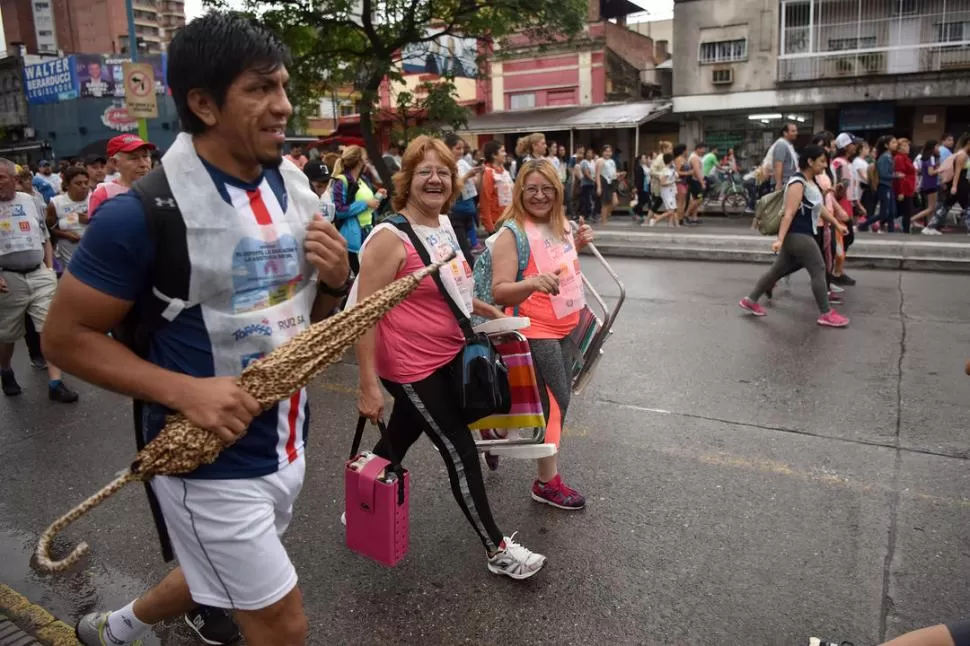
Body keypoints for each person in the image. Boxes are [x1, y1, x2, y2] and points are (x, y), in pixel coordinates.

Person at [46, 13, 352, 646]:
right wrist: (185, 391)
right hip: (205, 464)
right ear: (204, 104)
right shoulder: (140, 215)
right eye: (261, 89)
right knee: (280, 622)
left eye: (283, 88)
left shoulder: (293, 190)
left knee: (209, 571)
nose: (283, 106)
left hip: (287, 444)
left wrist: (333, 283)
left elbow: (303, 327)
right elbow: (63, 339)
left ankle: (115, 630)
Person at [353, 135, 547, 580]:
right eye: (425, 172)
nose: (435, 180)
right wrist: (367, 385)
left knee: (400, 436)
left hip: (447, 354)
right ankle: (497, 550)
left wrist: (483, 308)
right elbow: (363, 316)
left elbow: (453, 285)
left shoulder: (442, 226)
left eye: (443, 172)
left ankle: (361, 499)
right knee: (459, 451)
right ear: (407, 181)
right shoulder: (388, 238)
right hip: (410, 366)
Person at [489, 157, 593, 509]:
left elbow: (556, 268)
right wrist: (531, 283)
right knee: (555, 406)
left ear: (557, 191)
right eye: (531, 188)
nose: (539, 195)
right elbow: (500, 290)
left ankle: (496, 431)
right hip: (534, 330)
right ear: (520, 191)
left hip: (566, 325)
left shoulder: (558, 224)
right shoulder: (511, 233)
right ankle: (546, 483)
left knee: (553, 402)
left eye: (546, 188)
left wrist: (575, 244)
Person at [739, 145, 850, 328]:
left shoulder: (810, 181)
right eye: (821, 161)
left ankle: (750, 300)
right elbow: (789, 213)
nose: (825, 165)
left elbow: (817, 207)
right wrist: (780, 239)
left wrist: (837, 224)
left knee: (776, 271)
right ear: (810, 161)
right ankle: (826, 313)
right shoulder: (797, 182)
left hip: (801, 234)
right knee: (818, 268)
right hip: (798, 234)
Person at [0, 158, 79, 401]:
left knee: (48, 329)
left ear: (15, 179)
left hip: (39, 274)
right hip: (8, 279)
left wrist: (47, 267)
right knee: (8, 335)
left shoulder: (31, 201)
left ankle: (55, 383)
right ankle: (6, 371)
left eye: (1, 178)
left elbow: (44, 235)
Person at [332, 144, 385, 273]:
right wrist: (365, 203)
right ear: (359, 161)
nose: (367, 162)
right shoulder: (341, 181)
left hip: (368, 231)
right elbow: (339, 211)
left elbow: (369, 206)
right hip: (352, 236)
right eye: (365, 159)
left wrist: (379, 196)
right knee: (359, 275)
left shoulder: (364, 180)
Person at [88, 135, 155, 219]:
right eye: (134, 158)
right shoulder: (103, 195)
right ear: (114, 163)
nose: (143, 164)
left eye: (145, 156)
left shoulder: (162, 188)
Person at [923, 132, 970, 235]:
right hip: (960, 183)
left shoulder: (962, 154)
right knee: (966, 206)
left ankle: (930, 226)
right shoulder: (962, 155)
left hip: (960, 183)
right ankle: (930, 227)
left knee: (946, 206)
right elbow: (957, 171)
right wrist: (954, 186)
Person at [445, 133, 483, 260]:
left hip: (468, 208)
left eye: (462, 148)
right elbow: (450, 187)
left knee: (469, 249)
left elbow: (476, 184)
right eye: (457, 148)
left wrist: (479, 173)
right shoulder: (445, 165)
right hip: (454, 212)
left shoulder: (462, 163)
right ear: (448, 148)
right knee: (464, 252)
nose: (461, 152)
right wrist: (467, 176)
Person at [46, 166, 90, 268]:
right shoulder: (55, 203)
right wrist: (65, 234)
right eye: (78, 183)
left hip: (95, 253)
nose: (83, 186)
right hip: (69, 257)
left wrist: (92, 219)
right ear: (67, 185)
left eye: (86, 182)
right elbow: (50, 229)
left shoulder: (95, 198)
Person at [861, 136, 899, 233]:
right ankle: (863, 225)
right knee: (884, 213)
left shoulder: (888, 156)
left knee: (891, 212)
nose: (896, 144)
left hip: (888, 186)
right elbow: (883, 174)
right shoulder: (885, 157)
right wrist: (896, 175)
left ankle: (891, 231)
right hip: (883, 186)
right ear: (886, 145)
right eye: (893, 142)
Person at [478, 140, 512, 235]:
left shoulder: (504, 171)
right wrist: (490, 227)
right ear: (494, 155)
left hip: (508, 220)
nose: (505, 154)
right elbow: (485, 200)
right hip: (496, 223)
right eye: (502, 151)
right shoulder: (489, 173)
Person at [913, 139, 940, 228]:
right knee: (931, 207)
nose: (938, 148)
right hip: (931, 184)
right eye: (937, 146)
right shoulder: (931, 158)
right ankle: (912, 219)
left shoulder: (925, 157)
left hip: (927, 184)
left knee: (931, 208)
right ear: (932, 147)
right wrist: (941, 169)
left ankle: (929, 226)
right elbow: (931, 172)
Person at [893, 138, 917, 234]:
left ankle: (905, 229)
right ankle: (905, 230)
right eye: (904, 145)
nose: (907, 147)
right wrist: (901, 191)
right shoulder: (899, 158)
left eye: (908, 145)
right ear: (899, 148)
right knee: (905, 211)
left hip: (909, 187)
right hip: (904, 188)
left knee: (906, 211)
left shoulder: (906, 158)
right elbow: (900, 175)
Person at [595, 144, 621, 224]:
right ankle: (604, 222)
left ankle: (604, 215)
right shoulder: (600, 161)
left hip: (612, 183)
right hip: (604, 183)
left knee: (615, 202)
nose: (608, 153)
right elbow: (597, 175)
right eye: (606, 151)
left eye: (609, 151)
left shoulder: (612, 161)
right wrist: (599, 187)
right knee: (605, 204)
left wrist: (619, 175)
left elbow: (613, 173)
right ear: (602, 152)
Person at [770, 122, 800, 191]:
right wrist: (778, 184)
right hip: (783, 183)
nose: (796, 133)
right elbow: (778, 164)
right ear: (785, 133)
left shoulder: (789, 145)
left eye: (796, 131)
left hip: (789, 181)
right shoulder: (781, 145)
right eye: (793, 131)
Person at [684, 142, 707, 225]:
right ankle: (686, 215)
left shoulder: (697, 157)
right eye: (703, 149)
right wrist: (702, 182)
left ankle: (694, 218)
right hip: (694, 181)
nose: (704, 151)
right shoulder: (694, 158)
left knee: (697, 199)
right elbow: (696, 171)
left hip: (696, 181)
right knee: (698, 199)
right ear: (698, 149)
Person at [578, 147, 597, 221]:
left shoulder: (593, 162)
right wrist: (593, 179)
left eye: (591, 153)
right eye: (588, 153)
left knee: (591, 200)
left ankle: (589, 215)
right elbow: (586, 173)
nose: (590, 154)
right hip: (586, 184)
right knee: (586, 201)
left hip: (592, 184)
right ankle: (585, 216)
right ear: (586, 154)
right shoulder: (584, 162)